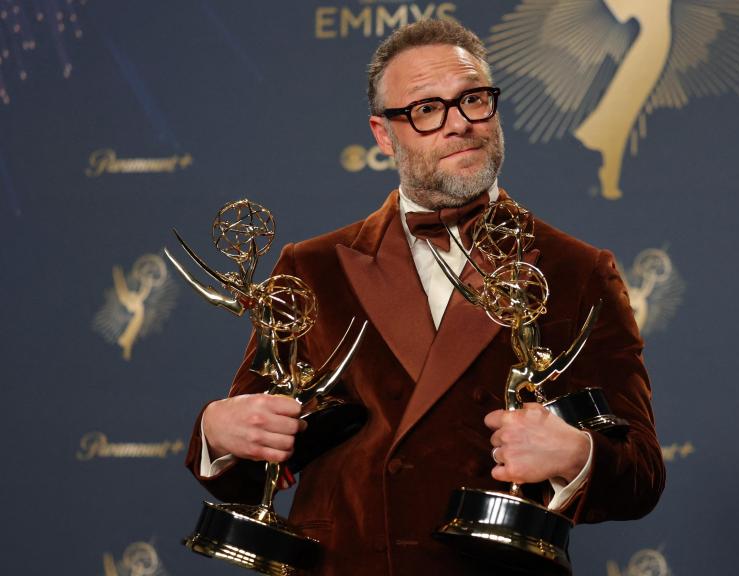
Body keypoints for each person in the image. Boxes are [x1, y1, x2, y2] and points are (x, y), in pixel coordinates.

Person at [185, 19, 665, 576]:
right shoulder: (311, 266)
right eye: (426, 109)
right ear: (383, 134)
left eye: (473, 100)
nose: (458, 124)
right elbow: (256, 466)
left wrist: (578, 458)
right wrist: (217, 435)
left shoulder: (578, 271)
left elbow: (643, 475)